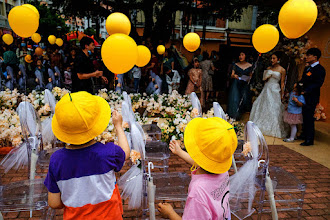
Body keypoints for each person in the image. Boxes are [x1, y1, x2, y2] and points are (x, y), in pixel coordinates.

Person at [44, 91, 130, 219]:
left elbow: (54, 202)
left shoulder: (57, 160)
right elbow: (125, 153)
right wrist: (118, 126)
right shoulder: (108, 152)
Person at [158, 117, 237, 220]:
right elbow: (202, 163)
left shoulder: (198, 191)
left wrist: (169, 214)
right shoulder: (222, 170)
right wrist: (180, 152)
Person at [249, 51, 288, 138]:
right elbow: (264, 80)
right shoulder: (269, 68)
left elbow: (282, 83)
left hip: (275, 89)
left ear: (278, 59)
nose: (272, 60)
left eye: (274, 58)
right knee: (263, 105)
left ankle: (274, 128)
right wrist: (267, 76)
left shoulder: (282, 70)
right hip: (267, 88)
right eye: (271, 58)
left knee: (275, 107)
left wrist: (282, 94)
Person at [299, 48, 326, 146]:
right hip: (303, 95)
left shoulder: (320, 69)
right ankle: (304, 134)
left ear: (315, 57)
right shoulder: (307, 68)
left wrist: (306, 90)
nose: (306, 57)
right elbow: (303, 79)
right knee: (304, 116)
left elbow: (318, 83)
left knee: (309, 117)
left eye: (309, 55)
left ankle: (309, 139)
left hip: (311, 97)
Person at [227, 51, 252, 119]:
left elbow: (251, 76)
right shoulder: (235, 65)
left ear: (245, 56)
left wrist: (249, 78)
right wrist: (234, 76)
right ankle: (235, 115)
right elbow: (232, 75)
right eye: (239, 55)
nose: (240, 56)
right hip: (237, 83)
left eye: (242, 55)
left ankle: (244, 115)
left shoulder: (250, 65)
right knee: (235, 99)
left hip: (245, 84)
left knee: (245, 99)